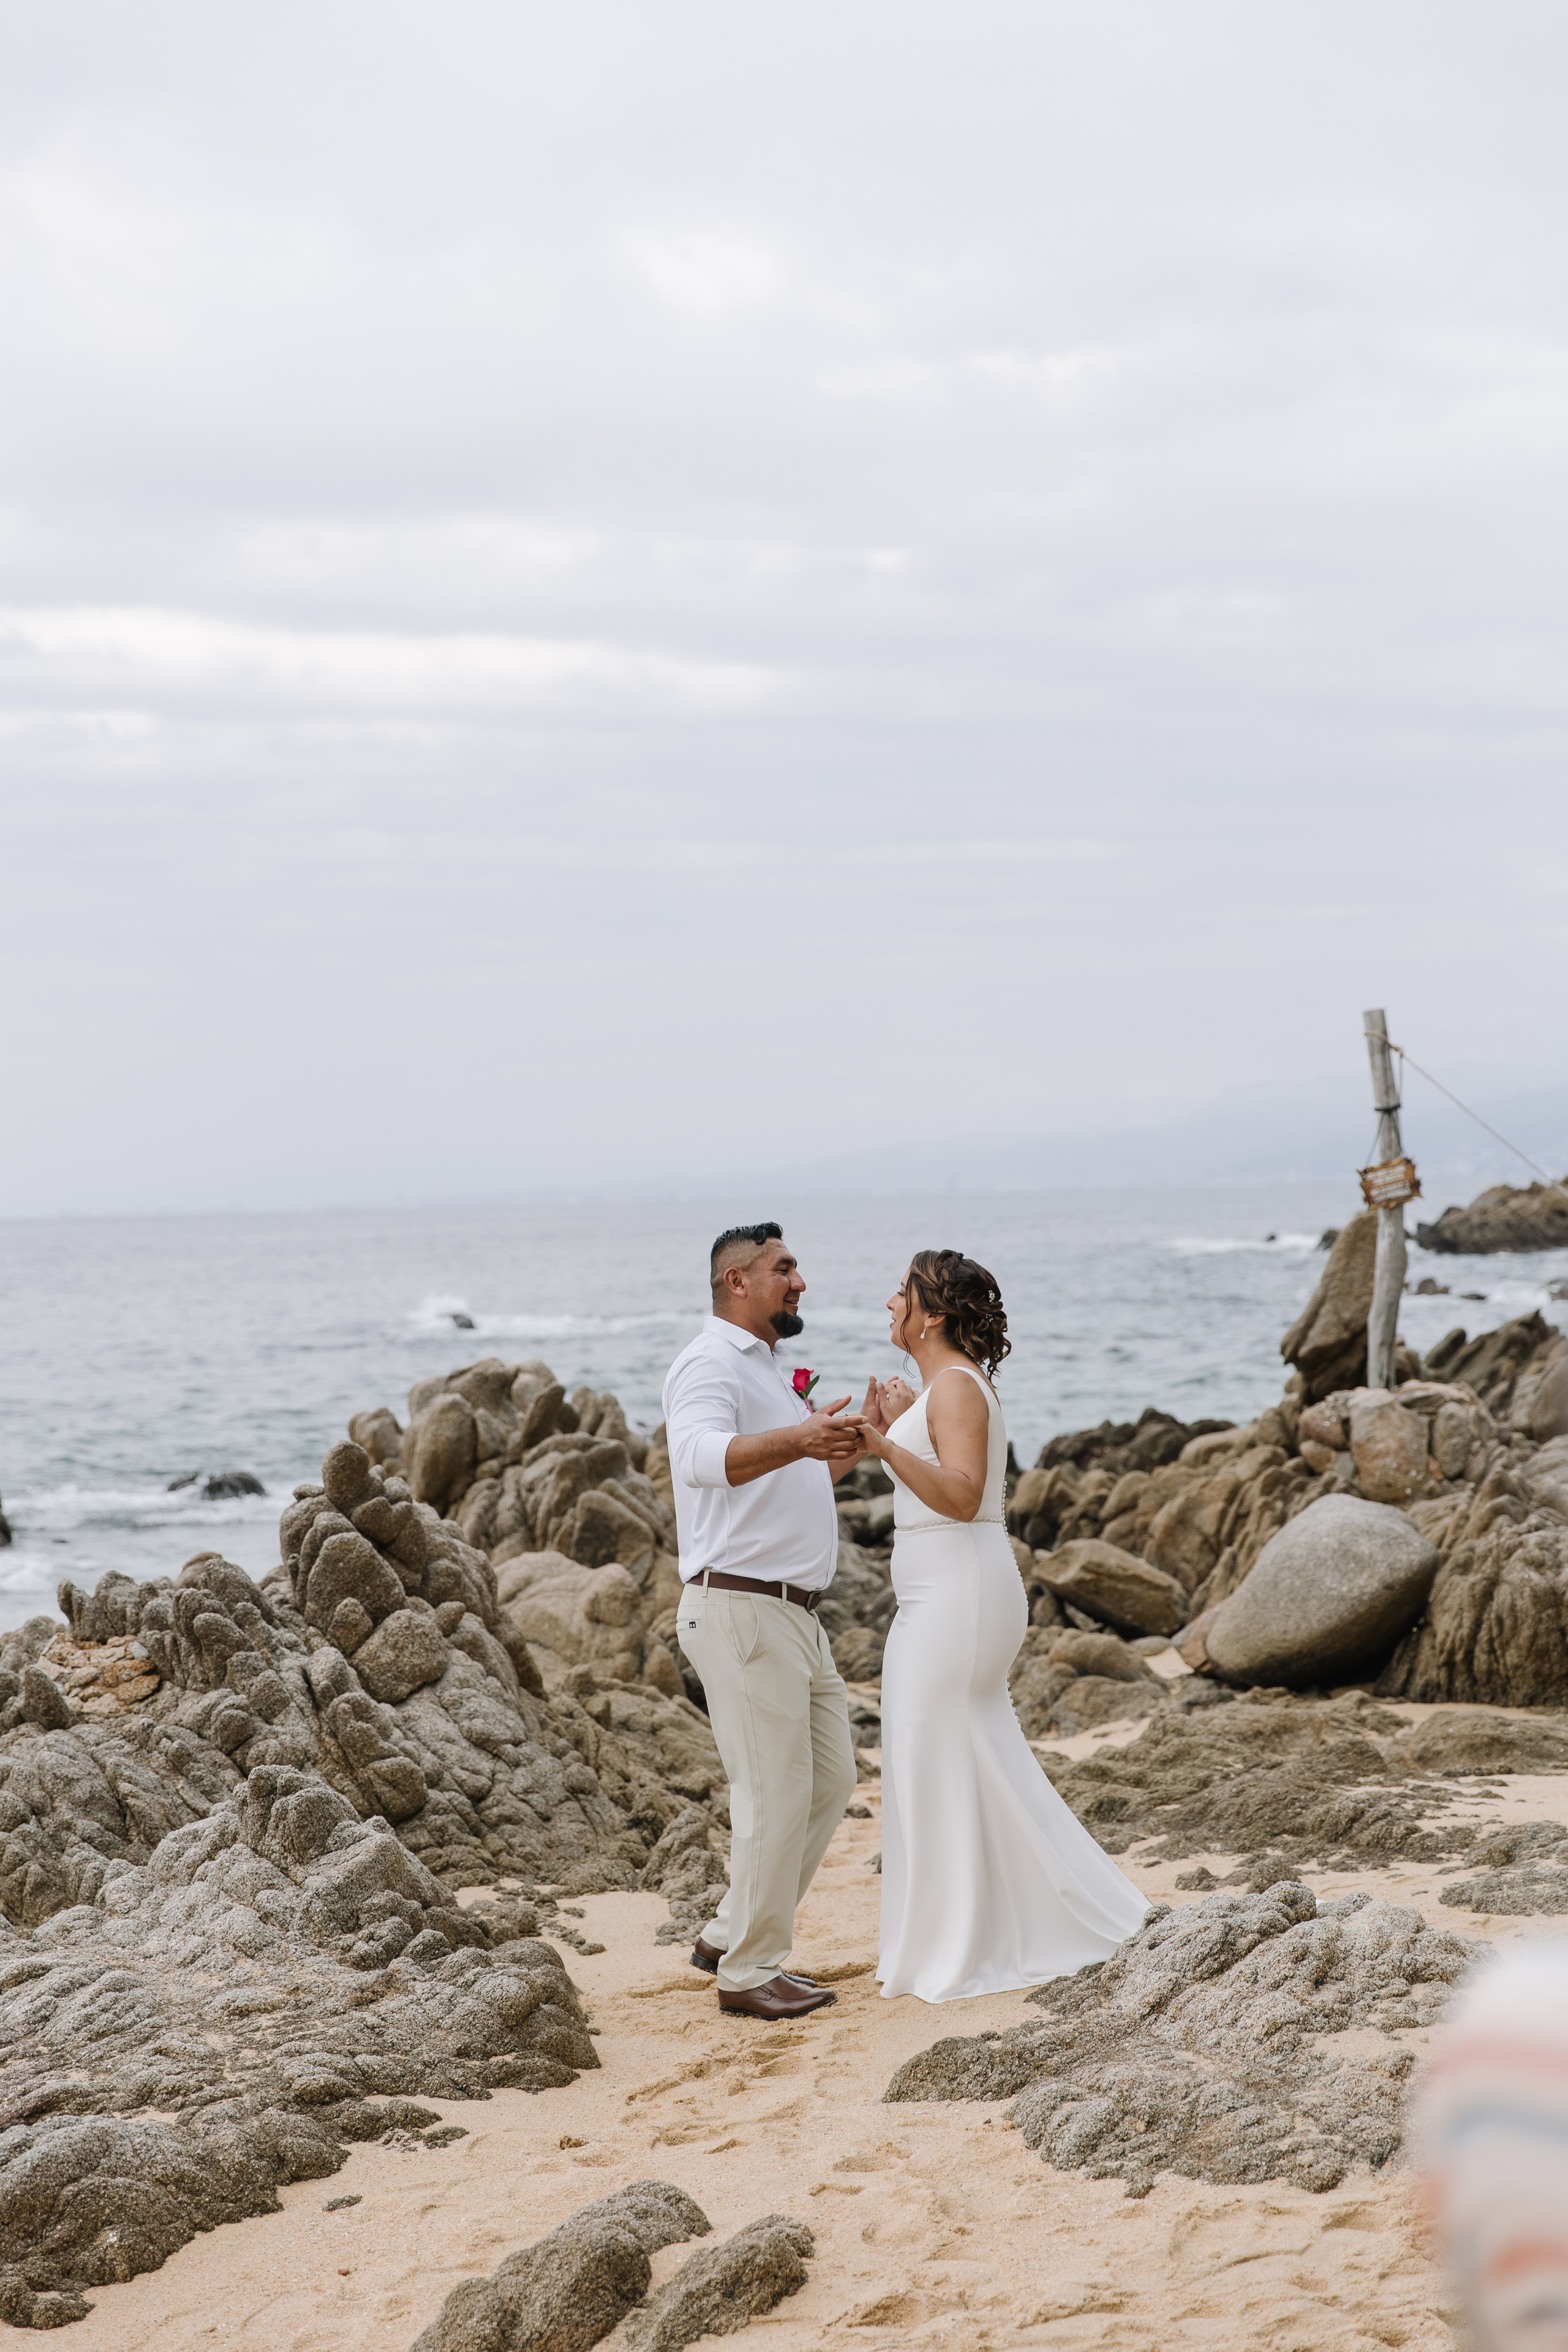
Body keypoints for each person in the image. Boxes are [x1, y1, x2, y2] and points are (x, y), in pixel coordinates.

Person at [854, 1248, 1149, 2003]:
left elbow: (959, 1495)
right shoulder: (940, 1388)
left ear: (933, 1314)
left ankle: (963, 1943)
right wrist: (895, 1428)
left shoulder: (954, 1386)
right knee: (957, 1752)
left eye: (902, 1293)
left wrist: (883, 1444)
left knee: (936, 1749)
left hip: (959, 1594)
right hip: (947, 1590)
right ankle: (981, 1927)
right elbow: (939, 1482)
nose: (890, 1303)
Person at [662, 1222, 862, 2019]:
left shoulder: (769, 1369)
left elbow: (790, 1474)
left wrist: (841, 1446)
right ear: (736, 1281)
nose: (800, 1281)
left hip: (795, 1617)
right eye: (784, 1268)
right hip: (742, 1607)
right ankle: (749, 1972)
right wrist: (800, 1435)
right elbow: (700, 1459)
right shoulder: (708, 1362)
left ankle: (727, 1932)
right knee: (773, 1795)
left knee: (831, 1781)